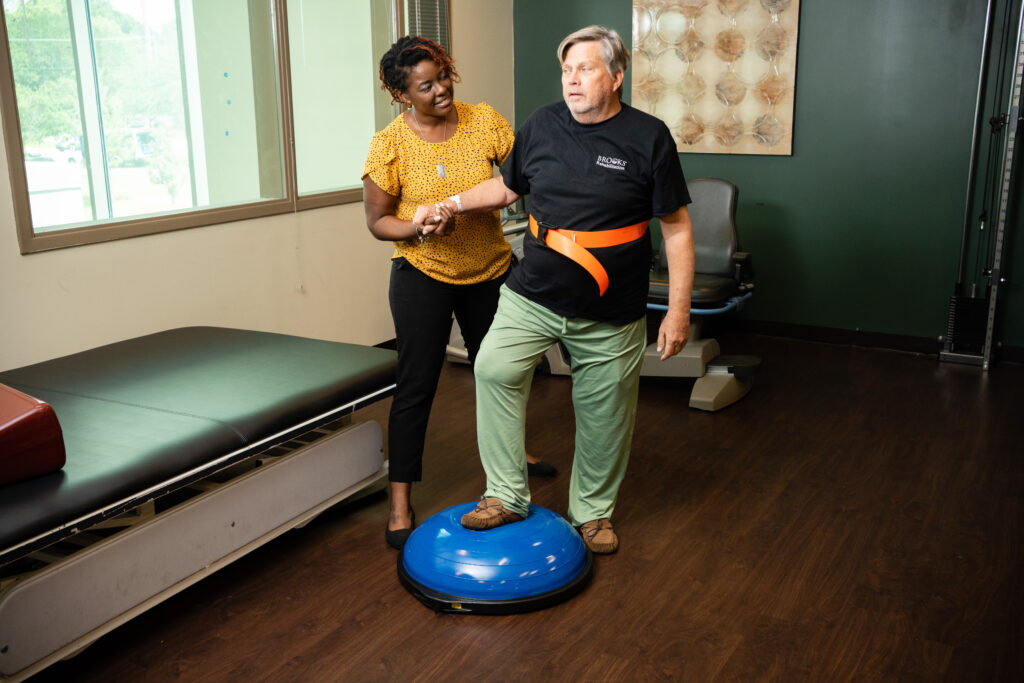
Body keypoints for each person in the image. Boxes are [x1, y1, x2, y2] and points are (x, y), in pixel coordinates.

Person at [414, 26, 695, 555]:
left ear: (616, 76)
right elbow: (506, 187)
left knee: (604, 411)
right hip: (533, 294)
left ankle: (591, 513)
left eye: (585, 69)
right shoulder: (542, 123)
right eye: (567, 70)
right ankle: (505, 495)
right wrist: (450, 203)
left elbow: (676, 229)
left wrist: (676, 312)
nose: (572, 80)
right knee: (493, 367)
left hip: (612, 309)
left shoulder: (649, 137)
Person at [362, 36, 555, 551]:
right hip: (422, 273)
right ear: (404, 94)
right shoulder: (389, 144)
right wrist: (417, 226)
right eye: (426, 85)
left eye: (443, 75)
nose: (441, 89)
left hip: (490, 268)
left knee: (506, 371)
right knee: (416, 387)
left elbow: (522, 177)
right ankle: (400, 500)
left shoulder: (484, 120)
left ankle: (517, 456)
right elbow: (379, 222)